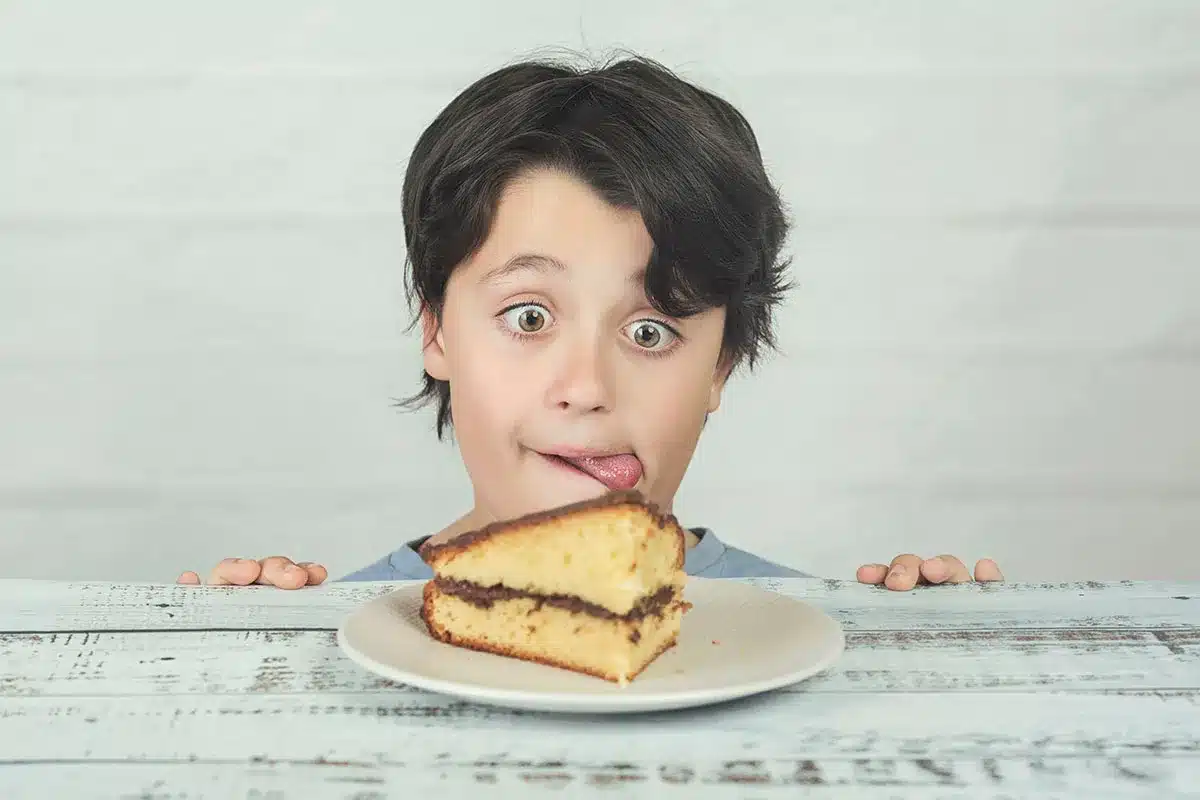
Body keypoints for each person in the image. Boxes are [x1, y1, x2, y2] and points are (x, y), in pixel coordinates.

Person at [178, 55, 1003, 593]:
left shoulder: (808, 630)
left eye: (650, 331)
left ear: (720, 366)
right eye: (529, 316)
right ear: (437, 333)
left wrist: (948, 653)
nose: (586, 389)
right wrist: (237, 662)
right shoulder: (341, 626)